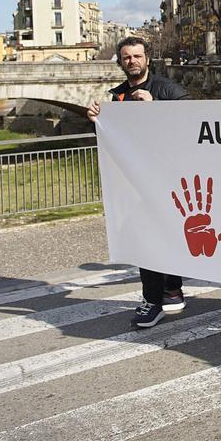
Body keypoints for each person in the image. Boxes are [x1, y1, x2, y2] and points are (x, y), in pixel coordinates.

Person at [86, 36, 190, 329]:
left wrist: (155, 105)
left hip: (167, 177)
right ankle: (165, 292)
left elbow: (193, 118)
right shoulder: (117, 96)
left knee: (157, 237)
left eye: (137, 56)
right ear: (120, 61)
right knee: (149, 237)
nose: (132, 61)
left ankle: (158, 297)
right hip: (135, 181)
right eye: (127, 57)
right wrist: (96, 119)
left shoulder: (166, 89)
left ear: (147, 59)